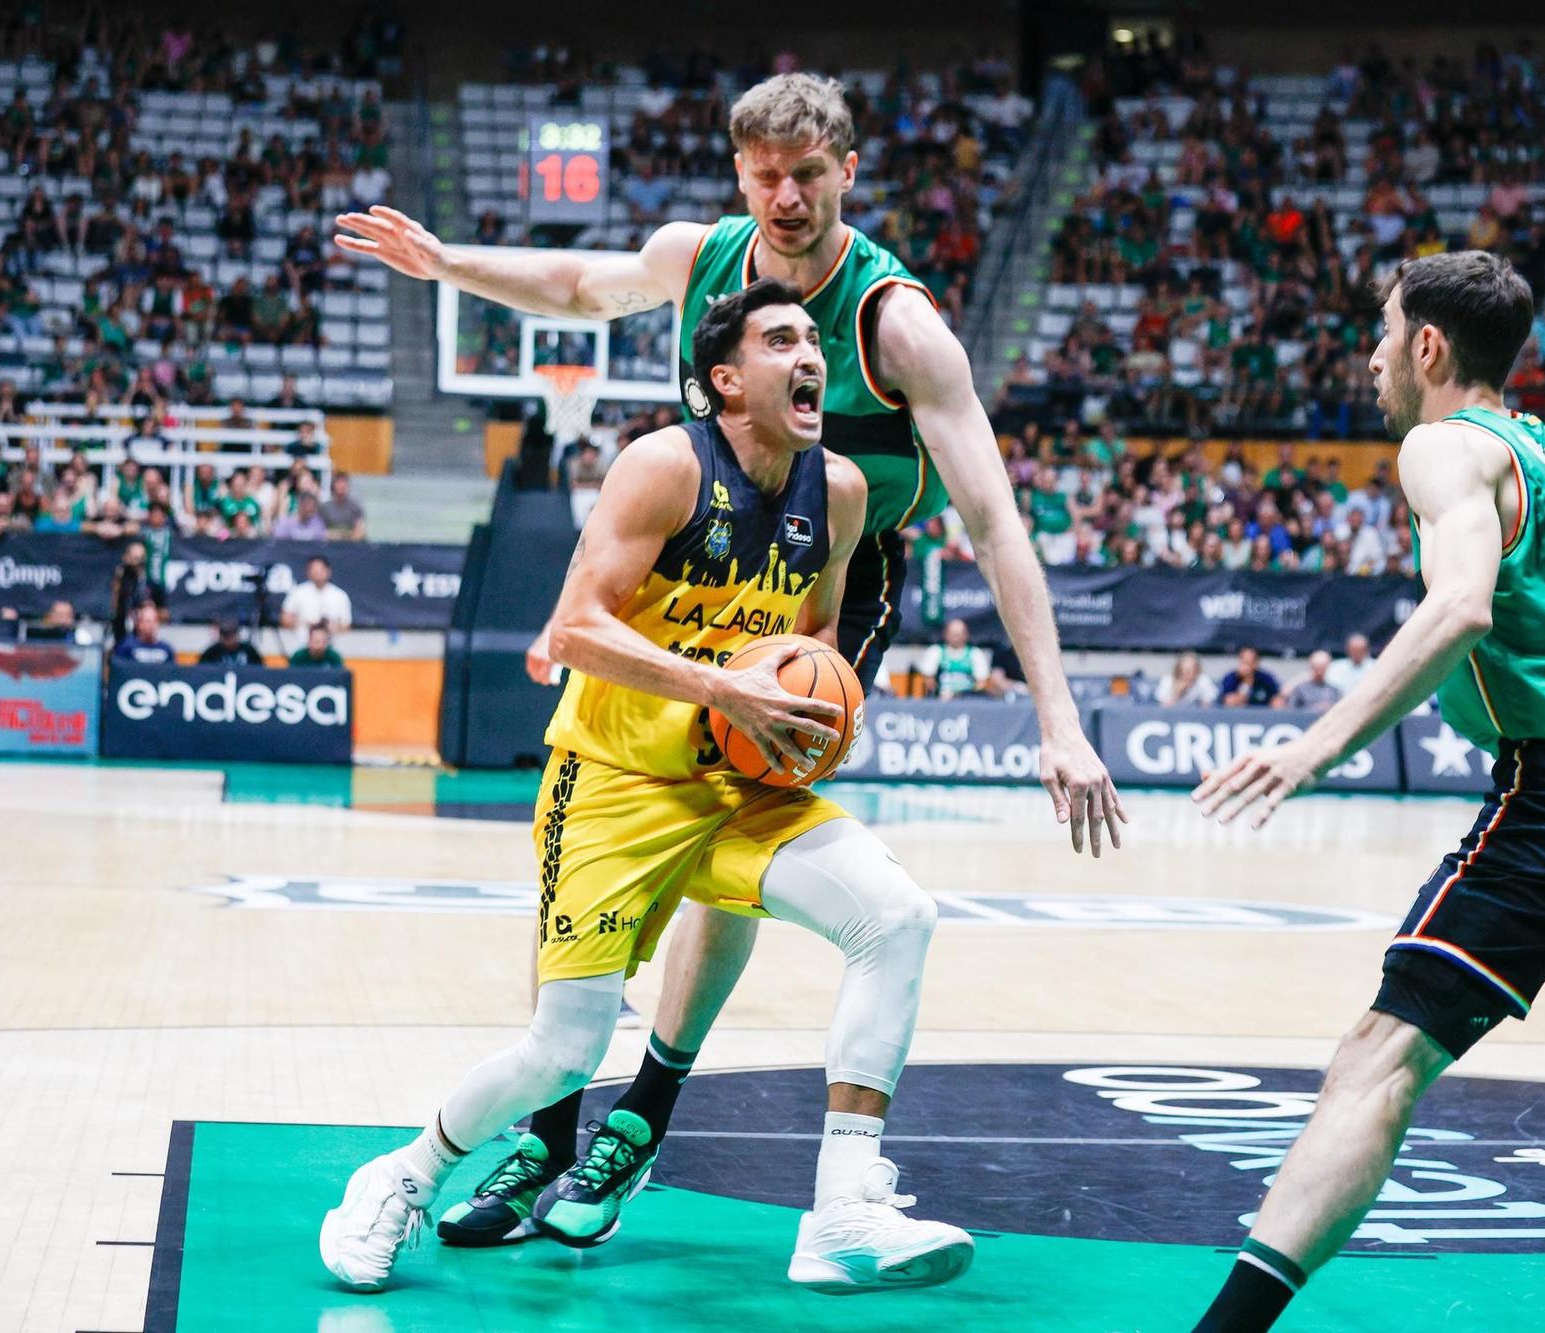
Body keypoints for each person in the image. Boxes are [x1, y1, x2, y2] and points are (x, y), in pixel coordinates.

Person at [335, 72, 1125, 1208]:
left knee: (735, 812)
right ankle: (547, 1125)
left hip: (829, 568)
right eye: (764, 175)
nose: (785, 196)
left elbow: (997, 524)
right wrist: (448, 263)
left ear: (847, 172)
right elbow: (574, 283)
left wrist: (1058, 720)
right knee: (596, 792)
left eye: (807, 174)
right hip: (701, 534)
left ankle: (643, 1113)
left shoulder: (896, 325)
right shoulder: (698, 254)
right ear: (739, 174)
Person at [321, 283, 974, 1295]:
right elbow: (574, 627)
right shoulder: (663, 466)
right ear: (725, 379)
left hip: (739, 788)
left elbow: (813, 649)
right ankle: (397, 1177)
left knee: (896, 915)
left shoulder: (837, 492)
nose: (808, 355)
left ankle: (841, 1210)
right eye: (779, 340)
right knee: (562, 1052)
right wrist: (722, 686)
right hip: (616, 781)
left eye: (812, 339)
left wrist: (819, 720)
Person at [1189, 251, 1545, 1333]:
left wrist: (1311, 750)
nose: (1372, 354)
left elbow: (1458, 611)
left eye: (1383, 332)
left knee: (1378, 1056)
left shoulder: (1440, 445)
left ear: (1428, 347)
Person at [916, 617, 990, 698]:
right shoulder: (935, 651)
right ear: (945, 634)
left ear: (966, 635)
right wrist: (941, 695)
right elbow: (928, 681)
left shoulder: (975, 653)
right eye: (953, 634)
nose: (956, 637)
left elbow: (981, 683)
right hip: (940, 699)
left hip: (968, 699)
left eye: (959, 634)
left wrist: (958, 695)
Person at [280, 555, 352, 633]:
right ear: (308, 572)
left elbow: (346, 626)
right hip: (302, 642)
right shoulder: (298, 592)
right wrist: (306, 623)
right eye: (314, 570)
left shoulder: (340, 595)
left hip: (329, 642)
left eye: (320, 570)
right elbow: (285, 620)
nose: (317, 573)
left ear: (328, 571)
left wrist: (330, 626)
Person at [1275, 650, 1340, 710]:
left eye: (1322, 668)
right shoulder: (1300, 689)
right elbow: (1292, 711)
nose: (1319, 672)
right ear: (1311, 666)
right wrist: (1315, 709)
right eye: (1317, 667)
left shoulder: (1334, 691)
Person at [319, 471, 366, 540]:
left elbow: (360, 529)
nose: (341, 486)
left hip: (350, 545)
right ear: (333, 485)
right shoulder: (325, 507)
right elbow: (319, 530)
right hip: (329, 545)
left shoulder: (355, 506)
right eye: (339, 483)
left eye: (344, 483)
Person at [198, 617, 263, 666]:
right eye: (224, 635)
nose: (228, 639)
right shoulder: (212, 652)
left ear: (237, 634)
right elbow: (200, 669)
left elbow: (261, 669)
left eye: (230, 635)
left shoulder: (249, 651)